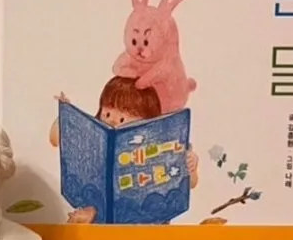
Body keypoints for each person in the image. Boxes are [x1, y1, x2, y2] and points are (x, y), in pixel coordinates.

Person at [49, 75, 199, 188]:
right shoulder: (94, 136)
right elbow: (55, 139)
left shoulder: (158, 147)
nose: (112, 121)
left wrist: (191, 167)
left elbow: (190, 184)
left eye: (122, 119)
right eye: (107, 114)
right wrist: (66, 116)